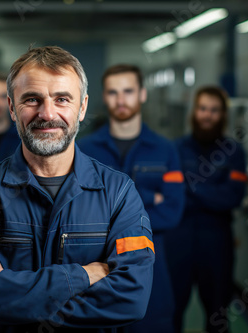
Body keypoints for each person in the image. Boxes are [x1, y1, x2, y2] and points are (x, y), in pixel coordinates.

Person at [0, 46, 155, 333]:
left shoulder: (118, 193)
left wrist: (14, 297)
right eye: (32, 99)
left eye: (62, 99)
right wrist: (84, 275)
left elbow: (132, 299)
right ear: (11, 107)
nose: (47, 113)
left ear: (82, 108)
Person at [79, 64, 185, 333]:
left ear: (142, 94)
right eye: (113, 92)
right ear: (104, 97)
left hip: (151, 275)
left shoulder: (165, 149)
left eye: (128, 91)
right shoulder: (84, 150)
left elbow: (172, 212)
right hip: (97, 276)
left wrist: (109, 212)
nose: (121, 100)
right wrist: (151, 197)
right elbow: (79, 212)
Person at [165, 86, 247, 333]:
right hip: (178, 242)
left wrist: (190, 185)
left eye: (214, 110)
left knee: (218, 316)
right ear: (194, 112)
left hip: (217, 244)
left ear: (223, 115)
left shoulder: (234, 152)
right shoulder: (175, 149)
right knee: (171, 312)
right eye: (203, 109)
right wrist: (210, 190)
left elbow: (232, 198)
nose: (207, 115)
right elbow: (172, 198)